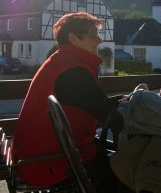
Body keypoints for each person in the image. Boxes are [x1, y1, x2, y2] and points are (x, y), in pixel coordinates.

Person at [11, 12, 125, 192]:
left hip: (36, 159)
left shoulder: (62, 62)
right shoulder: (73, 71)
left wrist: (124, 101)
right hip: (49, 164)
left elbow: (97, 104)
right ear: (74, 38)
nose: (99, 41)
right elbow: (107, 113)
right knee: (133, 170)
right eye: (93, 36)